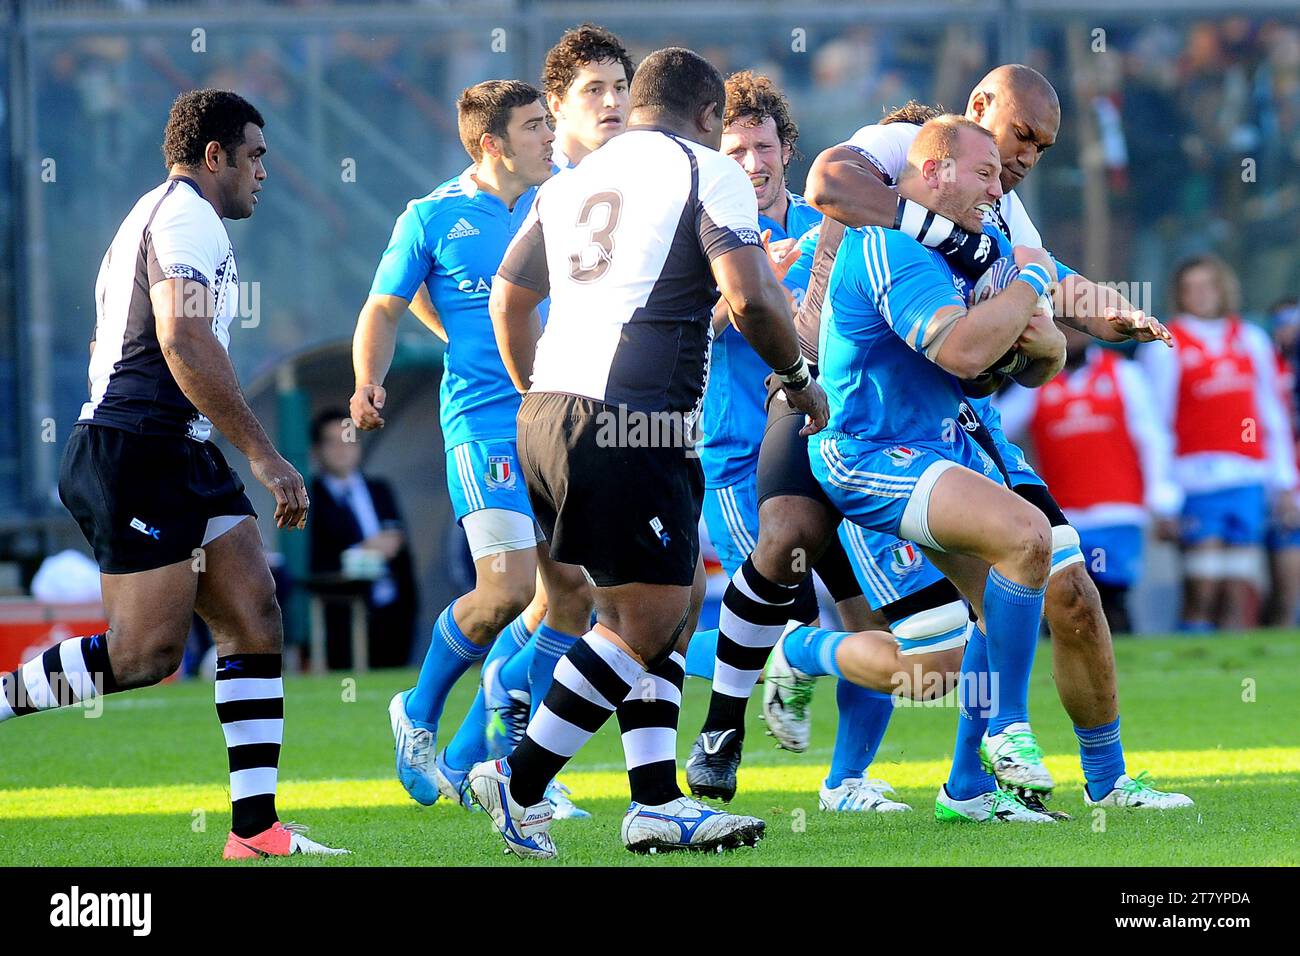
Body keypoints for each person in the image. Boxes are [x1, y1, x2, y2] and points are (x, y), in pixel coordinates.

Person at [792, 67, 1191, 811]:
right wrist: (1020, 292)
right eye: (1020, 139)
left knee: (1057, 588)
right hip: (859, 435)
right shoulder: (899, 165)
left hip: (958, 436)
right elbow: (830, 185)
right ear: (969, 124)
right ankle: (806, 679)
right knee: (934, 654)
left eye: (1043, 148)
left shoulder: (999, 216)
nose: (1024, 162)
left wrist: (1092, 320)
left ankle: (1064, 783)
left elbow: (1042, 349)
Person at [472, 47, 828, 859]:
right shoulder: (706, 170)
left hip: (553, 415)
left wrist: (540, 388)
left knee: (664, 608)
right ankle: (518, 783)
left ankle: (656, 803)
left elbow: (510, 291)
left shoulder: (571, 180)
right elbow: (749, 295)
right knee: (648, 620)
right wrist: (798, 378)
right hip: (634, 422)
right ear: (708, 117)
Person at [0, 89, 344, 858]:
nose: (264, 171)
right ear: (214, 155)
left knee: (253, 612)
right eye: (254, 155)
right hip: (135, 447)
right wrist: (262, 452)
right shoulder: (184, 214)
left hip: (179, 446)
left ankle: (256, 831)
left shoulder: (183, 217)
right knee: (143, 656)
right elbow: (183, 339)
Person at [810, 115, 1067, 819]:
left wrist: (1038, 334)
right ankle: (1008, 731)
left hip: (934, 449)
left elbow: (1036, 357)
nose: (999, 191)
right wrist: (1031, 285)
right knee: (1025, 540)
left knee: (990, 617)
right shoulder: (887, 246)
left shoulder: (971, 255)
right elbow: (961, 353)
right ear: (934, 172)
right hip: (864, 452)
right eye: (985, 175)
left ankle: (968, 789)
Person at [683, 69, 921, 814]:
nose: (751, 161)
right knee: (782, 620)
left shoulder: (826, 227)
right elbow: (678, 336)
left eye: (763, 145)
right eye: (735, 148)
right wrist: (741, 301)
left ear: (788, 151)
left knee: (875, 626)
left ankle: (846, 783)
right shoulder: (699, 231)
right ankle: (705, 715)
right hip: (738, 460)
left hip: (833, 445)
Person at [349, 80, 582, 812]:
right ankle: (416, 713)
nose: (552, 137)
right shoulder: (432, 217)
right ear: (492, 143)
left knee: (572, 598)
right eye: (536, 126)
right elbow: (386, 306)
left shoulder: (572, 195)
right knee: (509, 590)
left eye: (550, 123)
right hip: (485, 425)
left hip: (563, 420)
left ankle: (516, 770)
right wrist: (367, 383)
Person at [478, 25, 633, 774]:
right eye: (591, 92)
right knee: (641, 605)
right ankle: (526, 770)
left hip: (622, 420)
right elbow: (504, 300)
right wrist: (534, 389)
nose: (611, 103)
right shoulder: (566, 192)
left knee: (578, 600)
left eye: (619, 88)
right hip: (556, 420)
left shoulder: (636, 177)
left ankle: (494, 726)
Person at [1138, 256, 1299, 631]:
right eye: (1190, 287)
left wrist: (1284, 481)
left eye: (1208, 285)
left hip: (1246, 477)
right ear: (1179, 294)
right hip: (1196, 480)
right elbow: (1156, 424)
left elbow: (1271, 414)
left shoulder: (1250, 339)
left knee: (1237, 590)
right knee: (1202, 586)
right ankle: (1189, 660)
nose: (1200, 295)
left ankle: (1234, 680)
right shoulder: (1167, 343)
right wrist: (1162, 496)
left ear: (1223, 288)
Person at [997, 328, 1181, 634]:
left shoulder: (1123, 372)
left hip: (1119, 510)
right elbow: (996, 427)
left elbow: (1152, 438)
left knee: (1109, 595)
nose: (1070, 334)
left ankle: (1123, 670)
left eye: (1076, 326)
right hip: (1063, 514)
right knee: (1063, 597)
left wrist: (1161, 498)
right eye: (1061, 326)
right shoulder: (1035, 384)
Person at [308, 408, 418, 669]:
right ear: (316, 450)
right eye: (332, 441)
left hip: (393, 612)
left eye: (348, 439)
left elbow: (400, 541)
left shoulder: (380, 490)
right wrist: (362, 550)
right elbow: (315, 557)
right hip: (342, 616)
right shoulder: (309, 497)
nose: (342, 449)